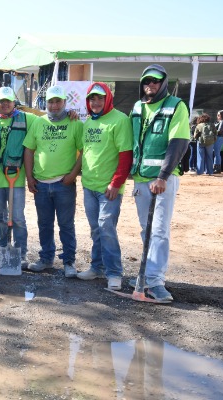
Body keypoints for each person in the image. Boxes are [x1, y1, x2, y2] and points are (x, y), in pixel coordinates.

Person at [129, 64, 190, 302]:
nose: (151, 84)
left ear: (163, 83)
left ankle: (155, 282)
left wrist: (163, 176)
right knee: (146, 229)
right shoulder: (137, 107)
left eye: (155, 81)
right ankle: (145, 274)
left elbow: (179, 141)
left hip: (161, 180)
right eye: (147, 81)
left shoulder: (176, 106)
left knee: (160, 230)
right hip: (140, 177)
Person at [74, 83, 133, 290]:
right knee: (96, 229)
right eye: (92, 99)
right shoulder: (89, 122)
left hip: (109, 188)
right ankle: (97, 267)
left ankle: (114, 272)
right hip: (89, 186)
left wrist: (116, 183)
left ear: (108, 98)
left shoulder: (120, 120)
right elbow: (86, 152)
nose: (96, 102)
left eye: (100, 98)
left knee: (106, 227)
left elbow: (126, 155)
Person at [23, 85, 83, 277]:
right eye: (51, 102)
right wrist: (29, 177)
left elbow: (84, 151)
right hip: (41, 184)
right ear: (46, 103)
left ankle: (69, 262)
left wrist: (73, 175)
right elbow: (29, 150)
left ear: (65, 102)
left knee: (66, 224)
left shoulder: (75, 123)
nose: (54, 105)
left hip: (64, 184)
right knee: (44, 224)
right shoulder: (38, 122)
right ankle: (46, 259)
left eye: (58, 101)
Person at [0, 86, 37, 269]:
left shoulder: (27, 119)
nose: (5, 104)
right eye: (2, 101)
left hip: (15, 178)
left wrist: (69, 113)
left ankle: (20, 253)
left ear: (14, 103)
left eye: (8, 101)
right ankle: (3, 250)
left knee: (17, 218)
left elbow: (48, 120)